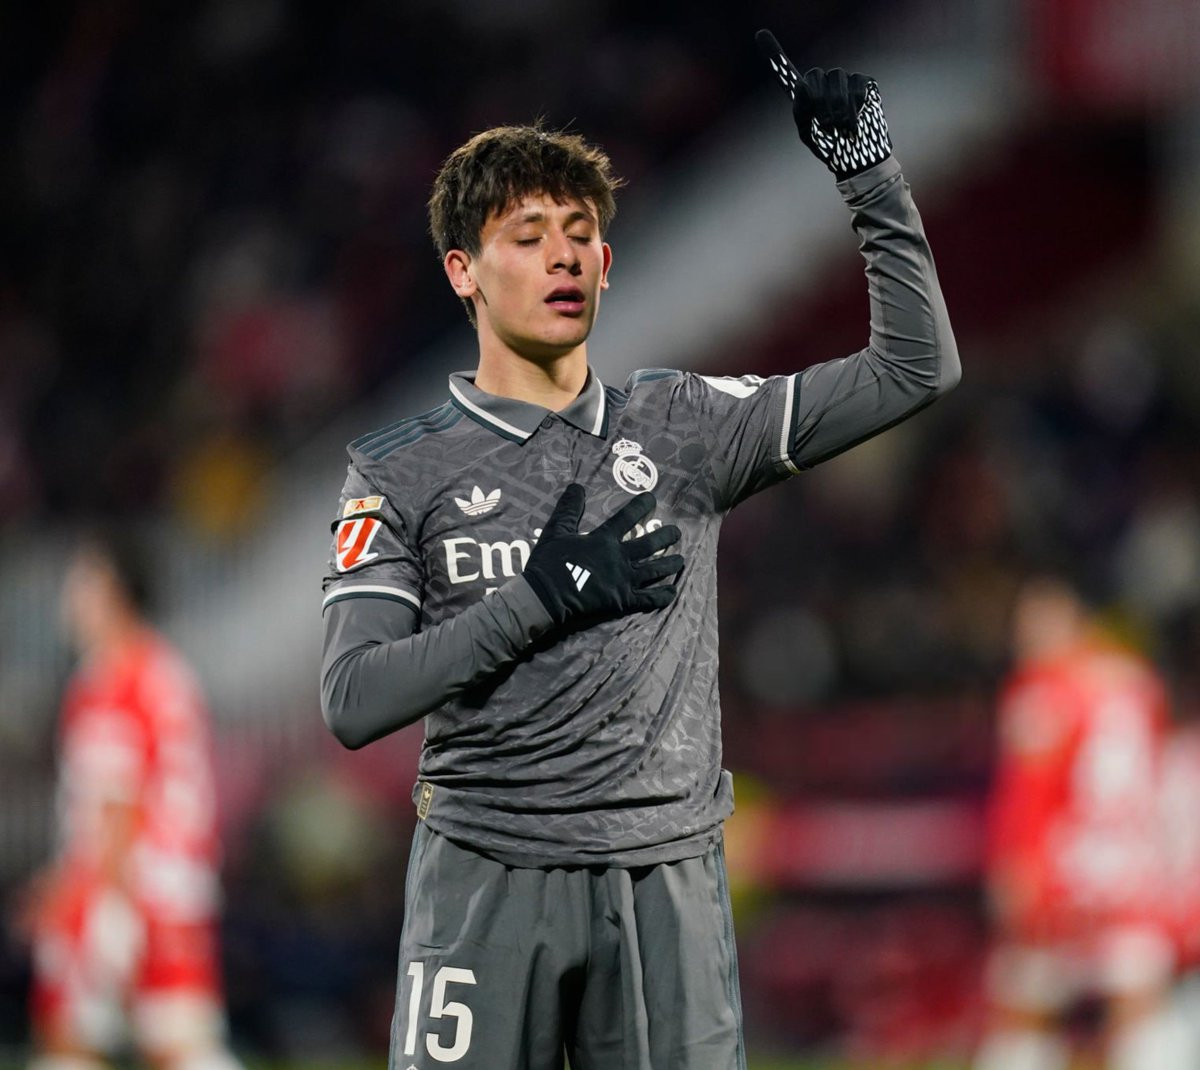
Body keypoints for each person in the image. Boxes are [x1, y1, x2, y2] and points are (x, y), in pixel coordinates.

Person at [319, 29, 959, 1070]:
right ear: (462, 271)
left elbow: (913, 369)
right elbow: (354, 698)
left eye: (582, 235)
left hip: (665, 882)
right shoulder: (399, 470)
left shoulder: (681, 424)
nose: (564, 256)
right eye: (529, 235)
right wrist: (537, 600)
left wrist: (871, 177)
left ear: (608, 266)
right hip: (484, 881)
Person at [22, 530, 243, 1070]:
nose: (70, 596)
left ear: (112, 590)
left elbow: (117, 805)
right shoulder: (168, 670)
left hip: (123, 885)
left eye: (81, 581)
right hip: (178, 892)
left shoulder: (112, 678)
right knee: (183, 1047)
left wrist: (94, 899)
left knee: (69, 1042)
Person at [974, 575, 1189, 1070]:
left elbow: (1028, 793)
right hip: (1133, 873)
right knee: (1138, 1007)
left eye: (1036, 621)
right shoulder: (1136, 683)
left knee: (1024, 1009)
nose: (1024, 636)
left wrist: (1015, 864)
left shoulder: (1044, 691)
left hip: (1064, 871)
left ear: (1074, 619)